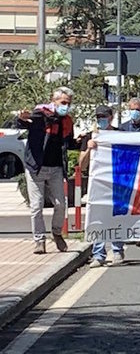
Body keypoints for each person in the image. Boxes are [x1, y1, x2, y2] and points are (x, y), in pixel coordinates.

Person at [16, 87, 79, 254]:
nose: (66, 106)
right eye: (63, 102)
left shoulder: (67, 121)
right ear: (54, 100)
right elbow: (24, 122)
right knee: (36, 206)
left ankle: (57, 233)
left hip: (56, 168)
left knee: (60, 204)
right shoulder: (41, 114)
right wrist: (21, 117)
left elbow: (69, 143)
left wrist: (83, 141)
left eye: (68, 103)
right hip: (36, 167)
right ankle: (39, 240)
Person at [83, 105, 125, 267]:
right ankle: (98, 254)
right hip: (99, 185)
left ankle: (117, 250)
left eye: (104, 116)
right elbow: (82, 164)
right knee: (99, 217)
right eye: (98, 116)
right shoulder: (91, 137)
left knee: (118, 216)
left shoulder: (121, 135)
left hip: (117, 183)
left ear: (111, 117)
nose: (101, 119)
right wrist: (88, 149)